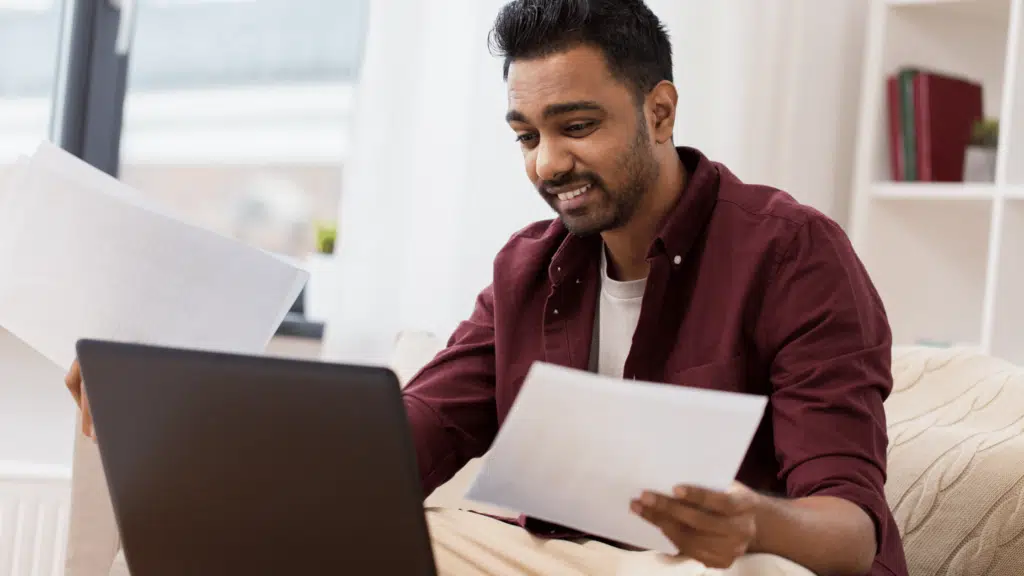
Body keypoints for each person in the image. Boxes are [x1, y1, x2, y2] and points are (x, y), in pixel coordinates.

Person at [65, 0, 909, 574]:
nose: (547, 163)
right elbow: (399, 438)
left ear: (660, 111)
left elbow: (852, 526)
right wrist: (187, 417)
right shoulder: (528, 269)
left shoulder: (792, 256)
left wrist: (753, 520)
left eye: (577, 127)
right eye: (525, 135)